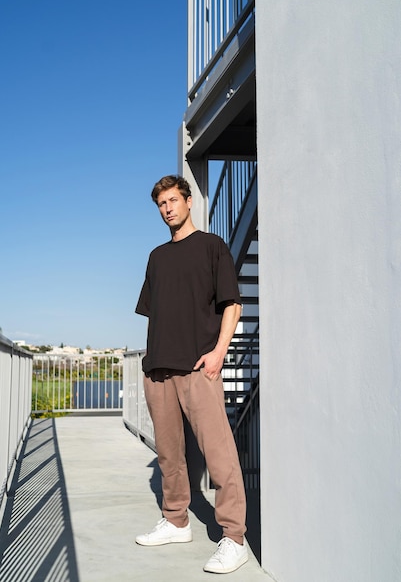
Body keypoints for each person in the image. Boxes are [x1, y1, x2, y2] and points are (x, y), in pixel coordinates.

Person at [135, 174, 248, 574]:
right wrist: (150, 363)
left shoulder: (212, 247)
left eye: (172, 200)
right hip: (159, 370)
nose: (167, 209)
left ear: (188, 202)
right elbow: (158, 313)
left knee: (219, 455)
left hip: (200, 367)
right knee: (169, 456)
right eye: (161, 204)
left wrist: (218, 353)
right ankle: (176, 520)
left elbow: (232, 305)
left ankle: (234, 538)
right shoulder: (156, 257)